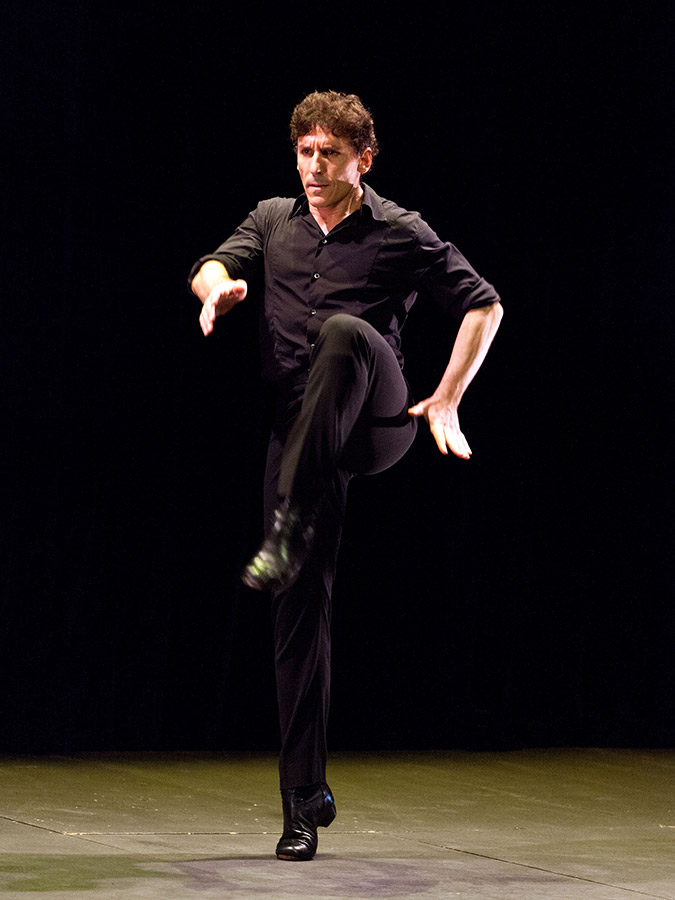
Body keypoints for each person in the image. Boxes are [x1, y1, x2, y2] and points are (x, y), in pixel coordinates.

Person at [189, 90, 503, 861]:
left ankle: (289, 519)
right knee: (297, 609)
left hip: (375, 416)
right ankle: (303, 801)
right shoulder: (273, 218)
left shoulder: (399, 230)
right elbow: (215, 262)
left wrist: (448, 396)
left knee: (344, 332)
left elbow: (483, 304)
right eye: (305, 151)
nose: (314, 166)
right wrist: (216, 287)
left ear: (362, 159)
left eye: (329, 153)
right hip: (302, 430)